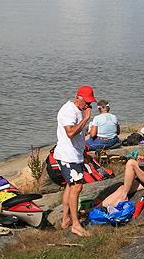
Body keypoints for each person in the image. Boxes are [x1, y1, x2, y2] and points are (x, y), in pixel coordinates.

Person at [54, 85, 96, 237]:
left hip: (75, 154)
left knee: (71, 187)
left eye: (90, 103)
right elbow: (70, 133)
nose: (89, 105)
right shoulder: (68, 110)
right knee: (77, 187)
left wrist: (84, 152)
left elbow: (78, 137)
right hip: (67, 155)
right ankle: (76, 224)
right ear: (78, 98)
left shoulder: (79, 110)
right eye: (87, 102)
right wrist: (86, 119)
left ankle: (66, 220)